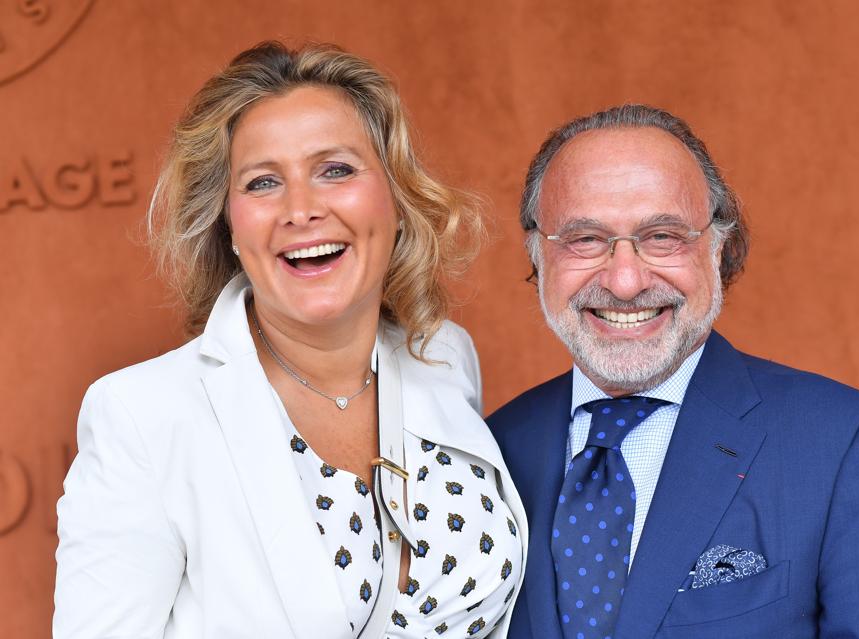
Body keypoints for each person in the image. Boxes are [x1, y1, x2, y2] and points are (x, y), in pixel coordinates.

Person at [54, 42, 525, 639]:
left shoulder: (443, 355)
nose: (301, 209)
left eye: (336, 170)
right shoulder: (142, 417)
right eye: (263, 182)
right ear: (228, 224)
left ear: (396, 198)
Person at [487, 104, 859, 638]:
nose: (624, 281)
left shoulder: (850, 445)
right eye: (585, 239)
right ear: (537, 253)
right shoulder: (490, 450)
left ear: (718, 246)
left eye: (663, 236)